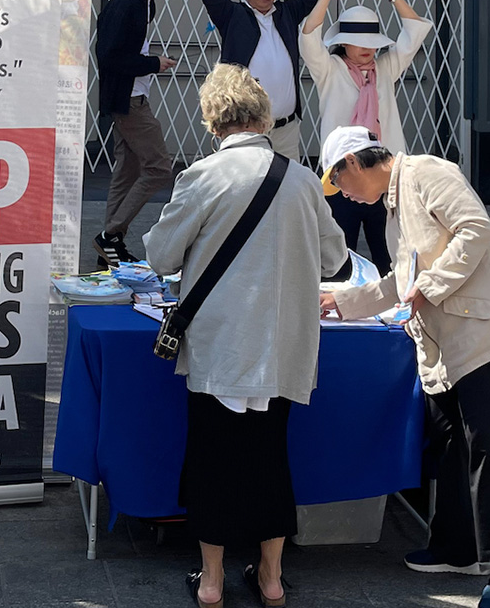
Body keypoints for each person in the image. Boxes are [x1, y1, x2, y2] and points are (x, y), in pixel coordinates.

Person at [143, 64, 348, 608]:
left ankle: (211, 582)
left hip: (221, 347)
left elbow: (160, 254)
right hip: (282, 346)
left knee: (212, 460)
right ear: (264, 118)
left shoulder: (203, 175)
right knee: (270, 460)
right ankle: (271, 577)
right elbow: (335, 259)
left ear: (214, 123)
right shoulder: (302, 180)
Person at [316, 125, 490, 608]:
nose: (343, 194)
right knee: (451, 443)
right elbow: (401, 281)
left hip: (479, 334)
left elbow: (476, 229)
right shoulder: (394, 205)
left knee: (488, 446)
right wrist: (344, 301)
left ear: (354, 162)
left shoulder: (427, 172)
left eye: (340, 180)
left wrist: (430, 286)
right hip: (445, 343)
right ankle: (457, 546)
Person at [299, 0, 432, 275]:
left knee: (390, 258)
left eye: (371, 42)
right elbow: (308, 37)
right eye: (359, 42)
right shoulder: (330, 70)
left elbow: (414, 32)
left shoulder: (384, 68)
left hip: (383, 177)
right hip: (342, 177)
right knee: (337, 261)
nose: (367, 48)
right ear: (343, 42)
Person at [197, 0, 329, 160]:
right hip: (244, 128)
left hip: (286, 128)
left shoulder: (287, 13)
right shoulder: (232, 15)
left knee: (288, 183)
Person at [93, 0, 179, 267]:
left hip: (131, 95)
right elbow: (109, 56)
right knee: (158, 167)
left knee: (127, 170)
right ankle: (109, 235)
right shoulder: (127, 4)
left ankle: (109, 247)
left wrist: (149, 64)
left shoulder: (144, 3)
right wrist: (152, 64)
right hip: (129, 99)